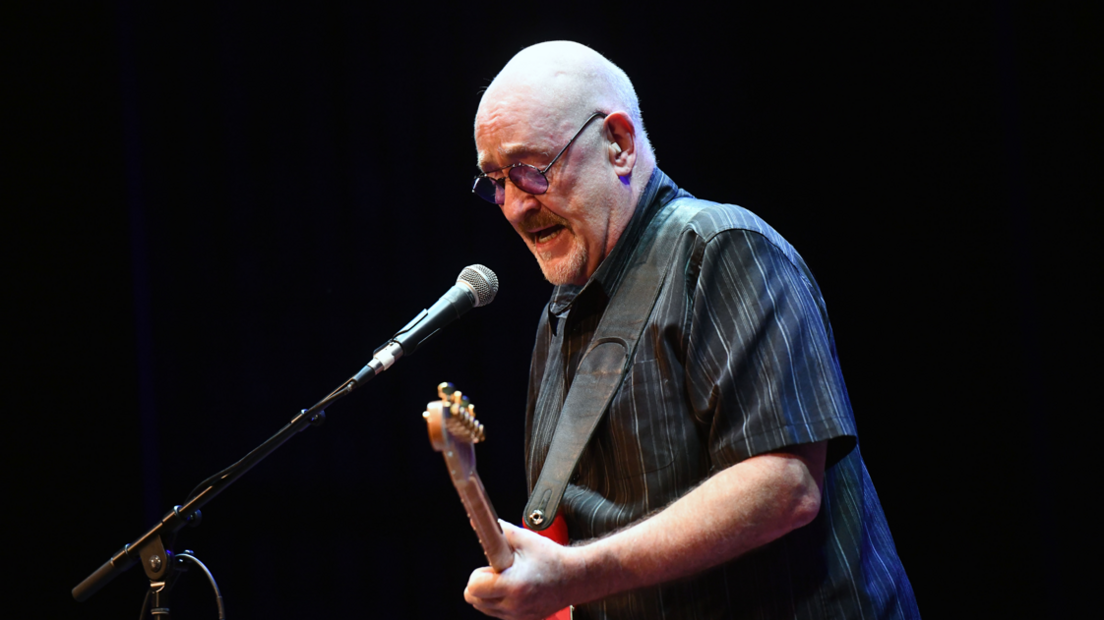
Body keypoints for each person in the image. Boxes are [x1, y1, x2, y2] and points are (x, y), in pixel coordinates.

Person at [464, 41, 919, 620]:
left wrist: (575, 575)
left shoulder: (722, 247)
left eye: (532, 169)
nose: (514, 206)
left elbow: (784, 486)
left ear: (619, 144)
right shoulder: (560, 315)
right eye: (495, 181)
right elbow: (574, 532)